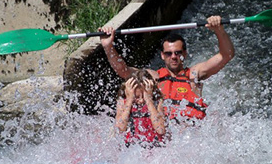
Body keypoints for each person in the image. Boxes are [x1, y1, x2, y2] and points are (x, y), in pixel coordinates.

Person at [99, 15, 235, 121]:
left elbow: (226, 55)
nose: (174, 56)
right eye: (169, 53)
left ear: (185, 54)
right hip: (165, 136)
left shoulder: (194, 74)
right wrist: (108, 46)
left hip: (193, 134)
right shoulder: (153, 76)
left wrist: (219, 30)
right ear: (162, 56)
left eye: (178, 52)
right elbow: (123, 71)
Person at [114, 69, 167, 148]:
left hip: (155, 148)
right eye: (137, 97)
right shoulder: (123, 103)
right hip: (132, 149)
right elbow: (120, 128)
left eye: (144, 96)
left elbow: (160, 129)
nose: (141, 100)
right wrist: (130, 99)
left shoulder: (157, 102)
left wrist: (148, 100)